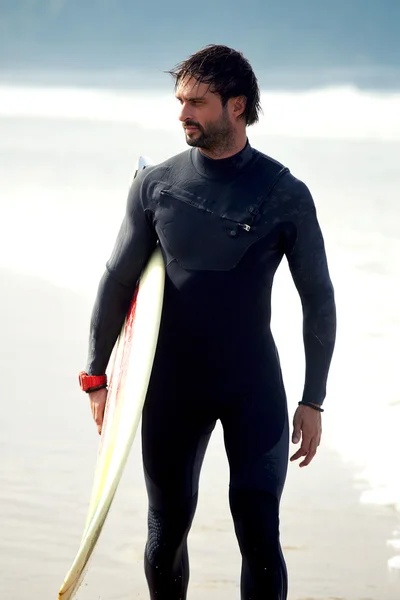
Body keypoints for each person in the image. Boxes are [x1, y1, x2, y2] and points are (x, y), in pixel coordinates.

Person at [79, 44, 336, 600]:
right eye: (179, 101)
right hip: (172, 386)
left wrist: (313, 400)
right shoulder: (155, 186)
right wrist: (96, 375)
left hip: (252, 386)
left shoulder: (285, 194)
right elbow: (117, 279)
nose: (182, 114)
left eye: (196, 102)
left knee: (257, 524)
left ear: (237, 106)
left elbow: (318, 298)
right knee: (166, 526)